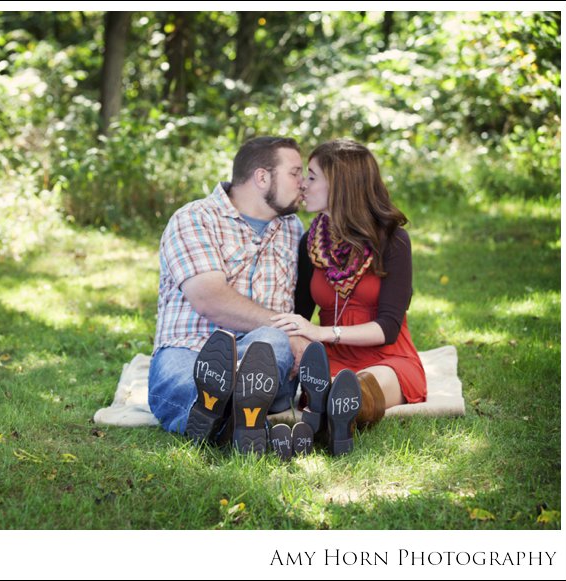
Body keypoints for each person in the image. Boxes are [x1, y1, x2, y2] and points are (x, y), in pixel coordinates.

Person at [148, 136, 310, 454]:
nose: (302, 183)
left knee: (271, 343)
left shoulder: (293, 228)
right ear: (262, 177)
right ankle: (238, 417)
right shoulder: (194, 218)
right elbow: (210, 299)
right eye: (295, 173)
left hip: (263, 356)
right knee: (183, 381)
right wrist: (289, 329)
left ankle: (227, 419)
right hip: (190, 349)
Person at [271, 138, 427, 453]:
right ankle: (328, 419)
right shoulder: (310, 245)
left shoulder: (393, 242)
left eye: (312, 177)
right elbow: (300, 311)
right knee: (324, 384)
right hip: (330, 358)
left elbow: (388, 328)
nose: (303, 184)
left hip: (388, 357)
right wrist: (297, 343)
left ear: (341, 185)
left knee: (360, 385)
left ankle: (330, 417)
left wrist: (321, 332)